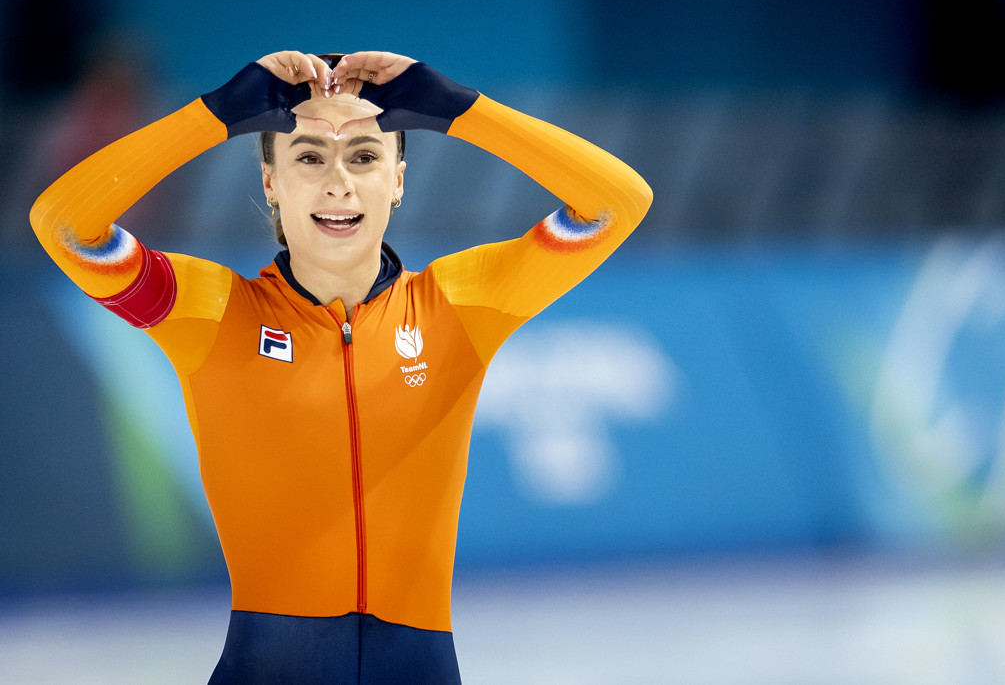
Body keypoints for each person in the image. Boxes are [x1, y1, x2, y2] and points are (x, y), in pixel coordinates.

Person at [29, 49, 652, 683]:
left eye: (364, 156)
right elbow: (66, 226)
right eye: (307, 157)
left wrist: (462, 111)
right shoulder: (214, 314)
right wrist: (214, 116)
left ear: (399, 179)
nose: (338, 183)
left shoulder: (458, 306)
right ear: (270, 182)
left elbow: (618, 202)